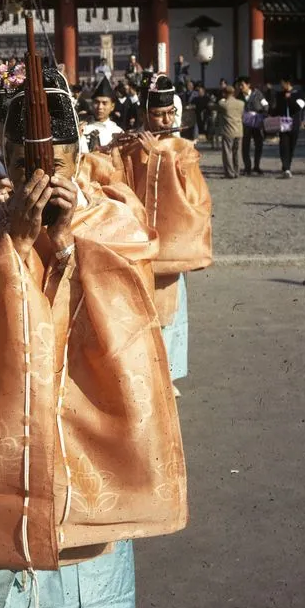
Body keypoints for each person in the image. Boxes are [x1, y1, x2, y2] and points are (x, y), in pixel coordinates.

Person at [0, 68, 186, 608]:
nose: (44, 178)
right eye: (29, 166)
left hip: (84, 452)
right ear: (1, 150)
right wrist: (13, 238)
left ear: (77, 156)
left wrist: (68, 237)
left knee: (94, 606)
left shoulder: (107, 206)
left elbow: (134, 294)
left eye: (58, 163)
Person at [114, 73, 212, 384]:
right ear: (145, 114)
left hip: (170, 240)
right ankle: (144, 373)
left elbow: (194, 199)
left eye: (170, 112)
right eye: (158, 113)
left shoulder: (183, 148)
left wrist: (159, 155)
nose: (165, 119)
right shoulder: (134, 145)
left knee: (168, 309)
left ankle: (167, 376)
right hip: (139, 236)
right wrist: (114, 150)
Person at [273, 76, 305, 178]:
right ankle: (285, 168)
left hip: (294, 124)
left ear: (288, 83)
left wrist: (290, 98)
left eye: (282, 83)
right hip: (283, 124)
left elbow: (298, 108)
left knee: (291, 146)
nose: (281, 85)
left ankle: (288, 165)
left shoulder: (299, 94)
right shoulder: (279, 95)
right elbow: (277, 108)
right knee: (283, 146)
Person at [236, 75, 269, 175]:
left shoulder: (257, 94)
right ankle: (247, 167)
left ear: (248, 85)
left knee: (259, 144)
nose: (240, 87)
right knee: (245, 146)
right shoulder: (239, 97)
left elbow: (266, 105)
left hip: (257, 124)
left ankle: (257, 166)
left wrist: (262, 115)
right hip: (245, 125)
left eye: (242, 85)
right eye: (239, 85)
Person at [82, 75, 123, 150]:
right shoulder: (82, 128)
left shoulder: (117, 132)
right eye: (96, 102)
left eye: (104, 103)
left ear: (112, 107)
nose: (100, 107)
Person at [218, 84, 245, 179]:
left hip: (228, 131)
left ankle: (230, 173)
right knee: (237, 152)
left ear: (224, 93)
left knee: (227, 153)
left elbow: (216, 105)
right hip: (239, 131)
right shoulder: (241, 103)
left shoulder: (223, 104)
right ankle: (237, 172)